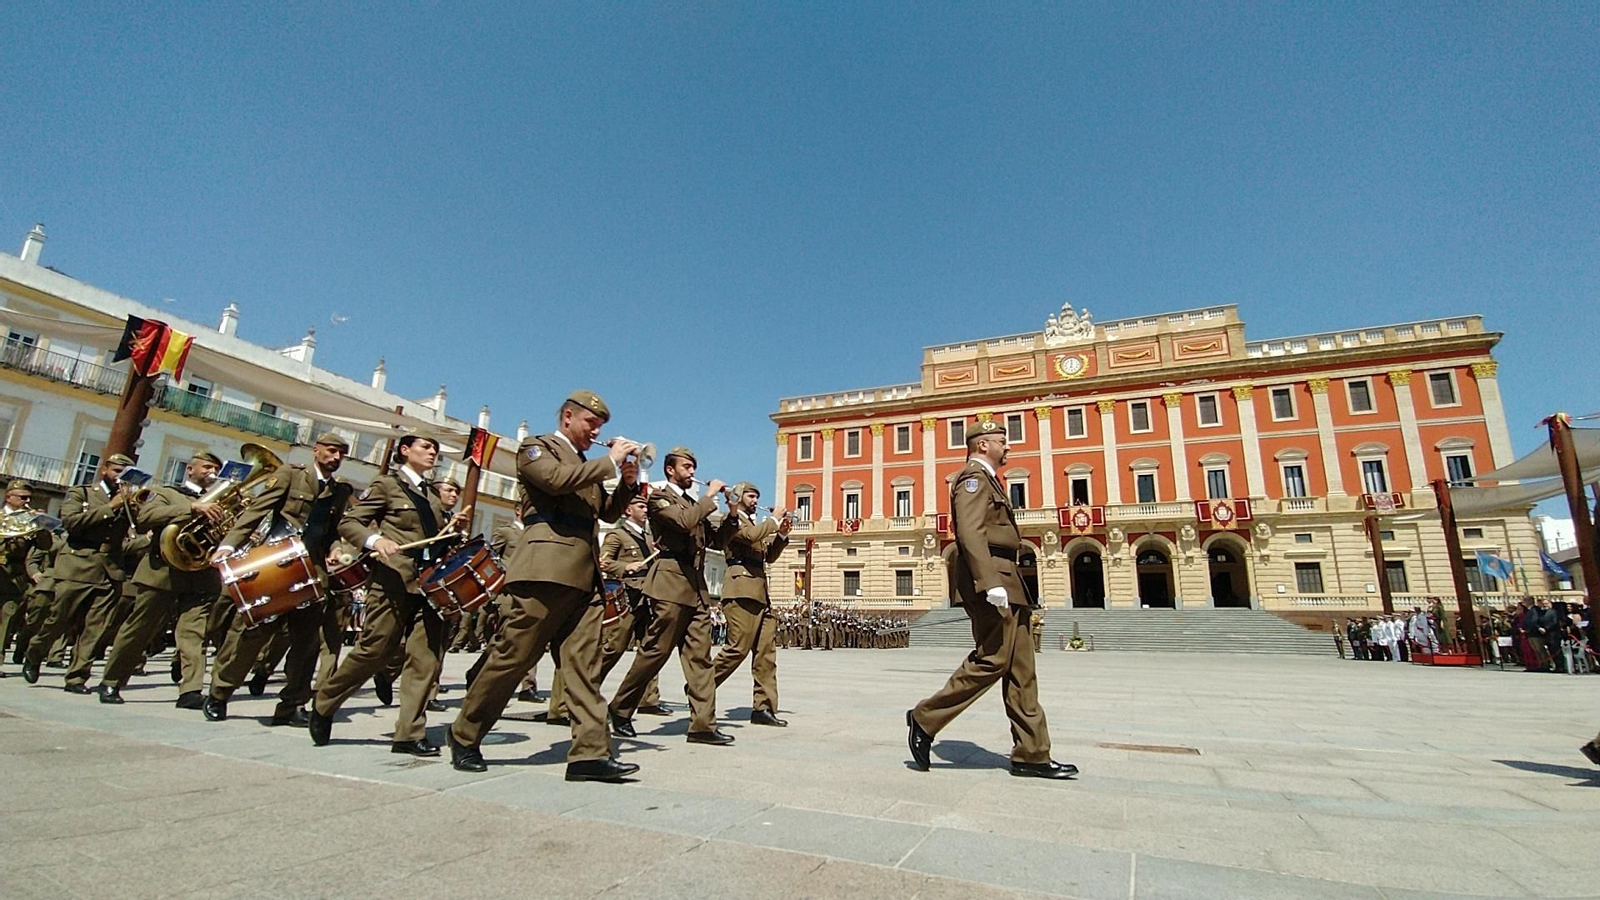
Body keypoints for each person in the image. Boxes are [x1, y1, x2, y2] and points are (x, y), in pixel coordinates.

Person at [448, 390, 641, 781]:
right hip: (545, 569)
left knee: (584, 666)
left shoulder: (587, 464)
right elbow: (553, 482)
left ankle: (589, 752)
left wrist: (626, 484)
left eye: (601, 426)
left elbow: (603, 512)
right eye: (592, 423)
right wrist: (610, 462)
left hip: (585, 576)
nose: (597, 431)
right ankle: (465, 733)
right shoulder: (539, 448)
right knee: (513, 657)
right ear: (568, 416)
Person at [906, 420, 1076, 780]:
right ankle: (925, 716)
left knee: (1022, 671)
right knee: (992, 658)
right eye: (1002, 441)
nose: (1008, 447)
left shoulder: (989, 480)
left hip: (1008, 578)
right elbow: (969, 532)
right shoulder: (973, 480)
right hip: (993, 578)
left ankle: (1032, 753)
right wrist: (987, 581)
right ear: (983, 445)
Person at [308, 433, 467, 755]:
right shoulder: (386, 485)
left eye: (435, 449)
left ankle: (408, 733)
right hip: (393, 580)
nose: (432, 453)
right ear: (405, 451)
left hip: (429, 585)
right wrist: (374, 541)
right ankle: (324, 703)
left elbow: (431, 539)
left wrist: (452, 530)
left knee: (426, 659)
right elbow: (350, 523)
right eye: (426, 447)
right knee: (374, 651)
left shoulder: (432, 496)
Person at [203, 433, 355, 725]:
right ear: (316, 451)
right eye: (331, 451)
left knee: (306, 645)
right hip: (276, 568)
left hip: (313, 573)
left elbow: (331, 531)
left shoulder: (340, 491)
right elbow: (257, 511)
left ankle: (293, 705)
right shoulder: (291, 475)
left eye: (341, 454)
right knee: (250, 636)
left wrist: (336, 549)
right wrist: (228, 545)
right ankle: (220, 693)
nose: (335, 458)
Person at [607, 447, 733, 747]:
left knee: (700, 657)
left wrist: (733, 513)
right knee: (656, 651)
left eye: (693, 467)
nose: (692, 472)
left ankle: (703, 724)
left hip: (696, 586)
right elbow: (684, 522)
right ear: (670, 470)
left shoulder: (694, 503)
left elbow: (713, 540)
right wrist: (709, 497)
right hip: (670, 581)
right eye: (687, 467)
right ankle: (621, 707)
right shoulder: (659, 497)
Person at [96, 451, 226, 706]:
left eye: (215, 469)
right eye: (207, 467)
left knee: (194, 634)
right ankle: (112, 681)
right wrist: (192, 508)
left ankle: (190, 690)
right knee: (140, 628)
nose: (212, 473)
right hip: (162, 571)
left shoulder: (222, 501)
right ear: (190, 469)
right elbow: (145, 519)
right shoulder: (166, 493)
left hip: (201, 574)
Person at [546, 494, 665, 724]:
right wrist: (625, 566)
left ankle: (648, 699)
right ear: (628, 510)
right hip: (626, 597)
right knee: (614, 648)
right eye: (640, 506)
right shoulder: (617, 535)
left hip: (647, 596)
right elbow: (604, 561)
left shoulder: (649, 538)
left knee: (650, 649)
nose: (645, 510)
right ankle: (578, 694)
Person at [20, 453, 137, 688]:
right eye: (116, 471)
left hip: (109, 567)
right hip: (77, 564)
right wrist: (109, 507)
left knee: (95, 627)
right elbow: (70, 523)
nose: (119, 477)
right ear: (105, 469)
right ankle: (34, 654)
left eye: (125, 474)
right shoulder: (81, 493)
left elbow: (138, 528)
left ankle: (77, 676)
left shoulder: (130, 499)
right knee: (58, 619)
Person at [711, 482, 791, 727]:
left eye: (757, 495)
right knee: (737, 649)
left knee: (766, 655)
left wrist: (782, 535)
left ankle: (763, 708)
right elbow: (749, 537)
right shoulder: (732, 520)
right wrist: (774, 521)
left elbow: (768, 556)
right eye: (751, 495)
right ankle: (701, 685)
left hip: (760, 592)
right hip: (741, 590)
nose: (756, 500)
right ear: (739, 496)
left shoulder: (757, 524)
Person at [0, 481, 51, 665]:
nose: (27, 501)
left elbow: (45, 546)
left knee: (7, 616)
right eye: (23, 497)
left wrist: (43, 526)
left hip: (14, 576)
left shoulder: (30, 521)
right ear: (9, 497)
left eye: (29, 497)